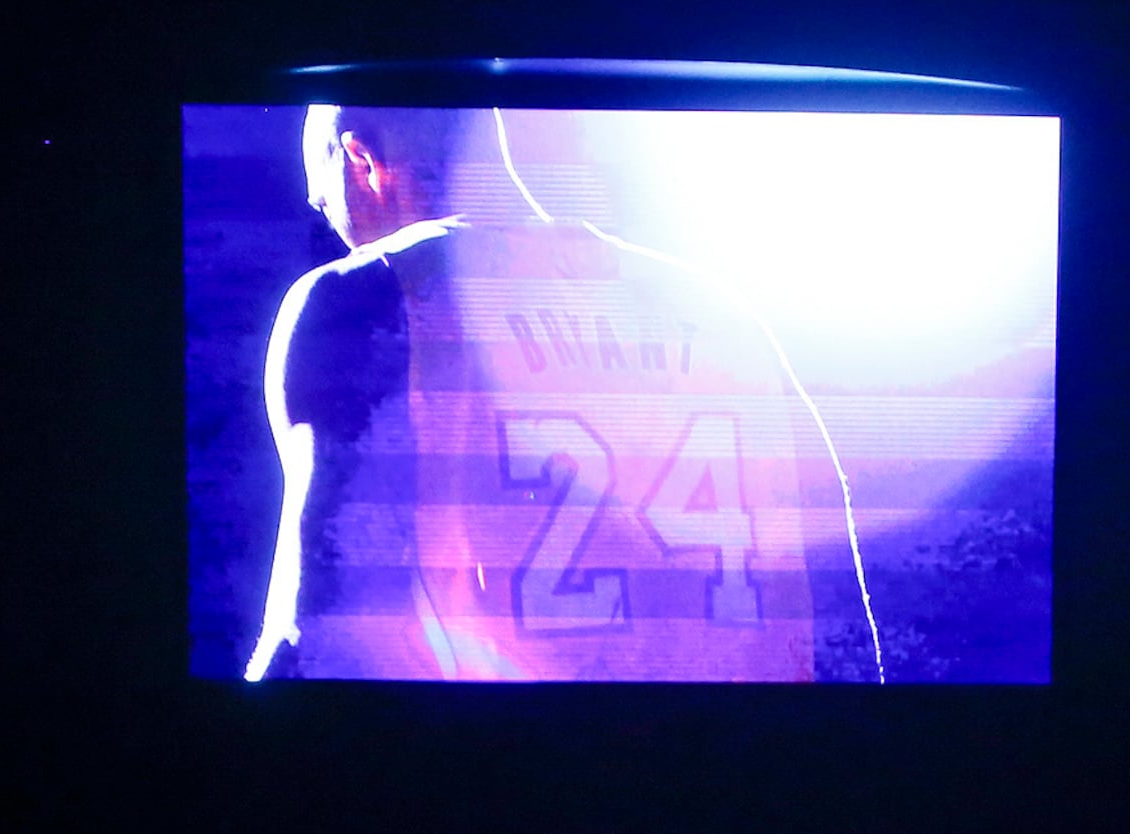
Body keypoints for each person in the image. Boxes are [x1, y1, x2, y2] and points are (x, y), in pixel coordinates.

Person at [241, 103, 862, 685]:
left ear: (362, 162)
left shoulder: (372, 292)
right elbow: (843, 626)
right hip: (745, 777)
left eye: (327, 206)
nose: (337, 230)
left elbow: (323, 632)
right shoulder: (718, 311)